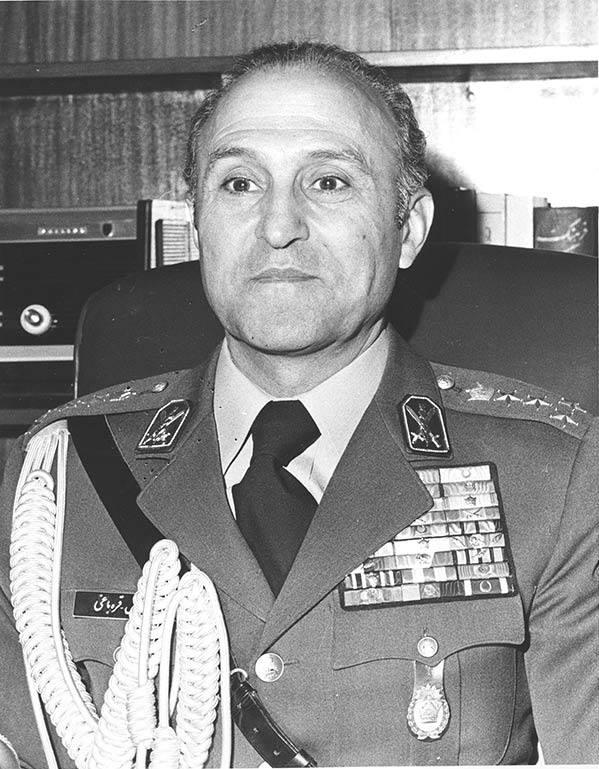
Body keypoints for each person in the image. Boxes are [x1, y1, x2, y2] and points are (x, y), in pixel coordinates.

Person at [0, 41, 597, 768]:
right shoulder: (53, 481)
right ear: (198, 224)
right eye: (239, 183)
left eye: (329, 181)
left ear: (408, 229)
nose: (278, 225)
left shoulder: (556, 477)